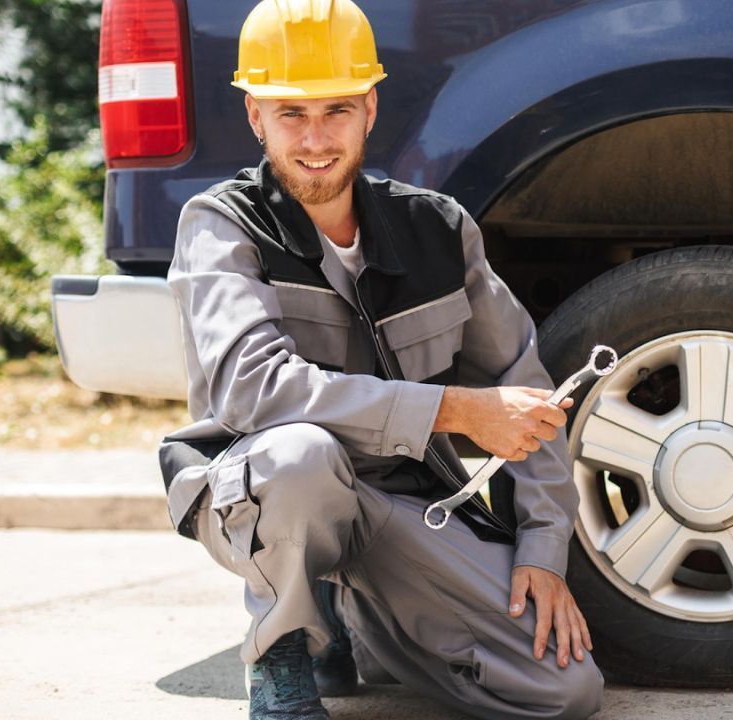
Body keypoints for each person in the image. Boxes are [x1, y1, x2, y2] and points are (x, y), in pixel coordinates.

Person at [156, 1, 603, 718]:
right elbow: (252, 387)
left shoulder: (439, 229)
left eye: (335, 109)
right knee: (302, 457)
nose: (314, 139)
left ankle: (363, 626)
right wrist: (456, 411)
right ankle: (283, 654)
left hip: (401, 501)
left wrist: (542, 550)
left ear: (369, 107)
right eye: (289, 113)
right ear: (255, 118)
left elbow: (527, 391)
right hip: (272, 492)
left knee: (564, 691)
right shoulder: (220, 225)